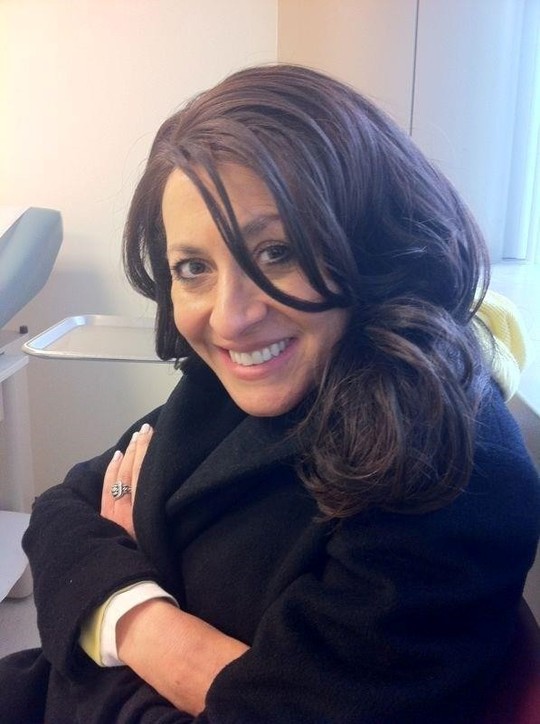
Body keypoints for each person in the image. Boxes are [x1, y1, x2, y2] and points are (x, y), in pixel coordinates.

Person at [1, 64, 538, 723]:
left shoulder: (452, 474)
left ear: (373, 241)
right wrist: (145, 622)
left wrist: (116, 617)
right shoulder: (249, 380)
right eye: (193, 267)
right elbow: (61, 508)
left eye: (277, 252)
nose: (230, 318)